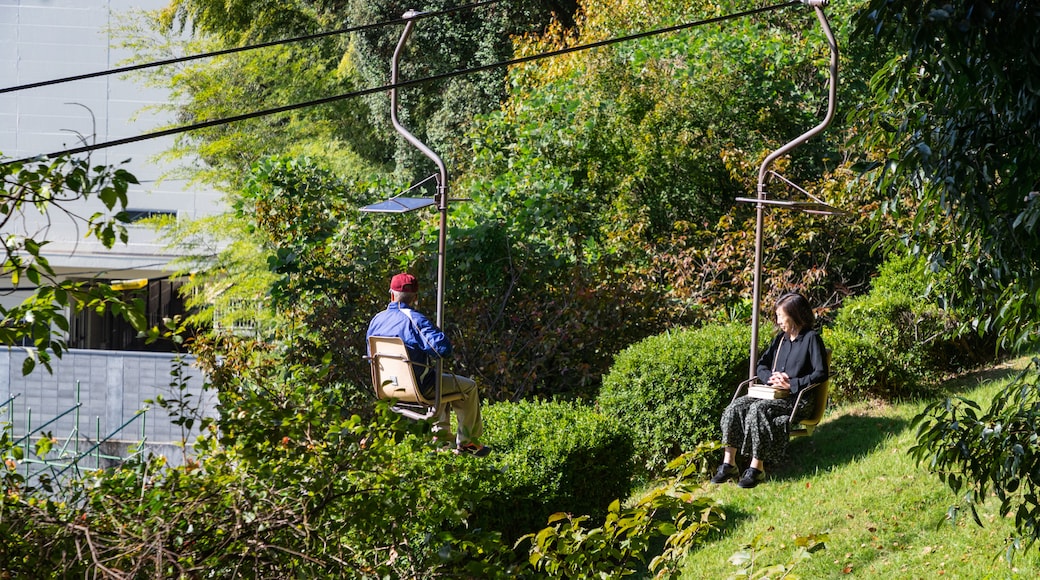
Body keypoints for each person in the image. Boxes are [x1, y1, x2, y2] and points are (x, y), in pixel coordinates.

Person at [711, 292, 828, 488]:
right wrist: (770, 378)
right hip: (772, 394)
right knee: (735, 407)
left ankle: (757, 469)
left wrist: (792, 384)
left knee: (759, 410)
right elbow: (761, 366)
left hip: (797, 399)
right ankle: (728, 464)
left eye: (781, 316)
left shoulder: (811, 339)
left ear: (795, 315)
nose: (778, 320)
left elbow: (821, 373)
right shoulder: (780, 340)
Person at [367, 272, 489, 456]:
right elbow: (441, 349)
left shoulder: (376, 320)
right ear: (415, 298)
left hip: (386, 388)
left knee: (438, 380)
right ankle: (467, 441)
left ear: (391, 294)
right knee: (468, 387)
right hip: (418, 388)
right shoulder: (414, 319)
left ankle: (441, 440)